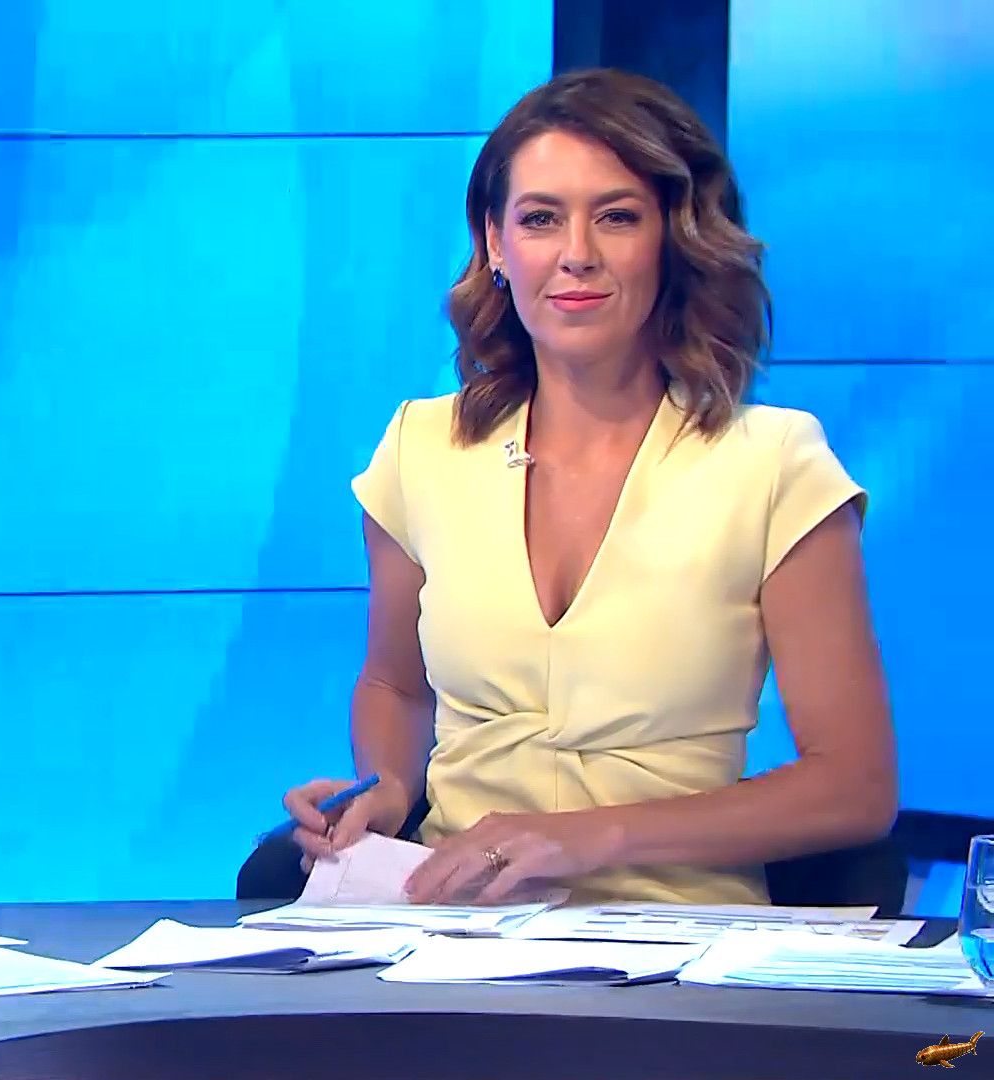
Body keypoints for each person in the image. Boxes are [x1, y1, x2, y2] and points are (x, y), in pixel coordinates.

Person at [273, 68, 895, 906]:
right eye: (540, 219)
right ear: (496, 243)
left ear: (672, 238)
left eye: (617, 217)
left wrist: (587, 837)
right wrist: (383, 785)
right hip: (451, 926)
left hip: (676, 937)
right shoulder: (422, 447)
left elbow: (854, 785)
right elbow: (396, 685)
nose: (577, 254)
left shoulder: (774, 462)